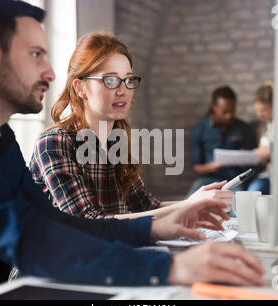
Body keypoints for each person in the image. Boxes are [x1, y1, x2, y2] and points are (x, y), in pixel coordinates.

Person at [0, 0, 265, 299]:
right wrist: (172, 266)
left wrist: (157, 228)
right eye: (35, 55)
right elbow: (34, 239)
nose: (49, 71)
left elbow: (60, 223)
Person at [29, 32, 234, 221]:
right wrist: (188, 206)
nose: (123, 90)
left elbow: (146, 207)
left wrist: (198, 203)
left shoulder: (115, 144)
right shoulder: (53, 143)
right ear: (80, 88)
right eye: (110, 80)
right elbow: (90, 223)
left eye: (128, 80)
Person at [188, 86, 257, 197]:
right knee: (190, 202)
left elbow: (253, 161)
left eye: (232, 111)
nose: (229, 115)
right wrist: (211, 166)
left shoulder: (244, 128)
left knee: (235, 205)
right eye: (224, 112)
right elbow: (196, 167)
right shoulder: (199, 129)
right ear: (214, 107)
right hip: (208, 179)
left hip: (234, 179)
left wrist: (244, 159)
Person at [247, 82, 274, 195]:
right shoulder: (269, 125)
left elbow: (266, 151)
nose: (260, 114)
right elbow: (263, 152)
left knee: (253, 192)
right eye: (257, 110)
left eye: (263, 110)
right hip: (268, 173)